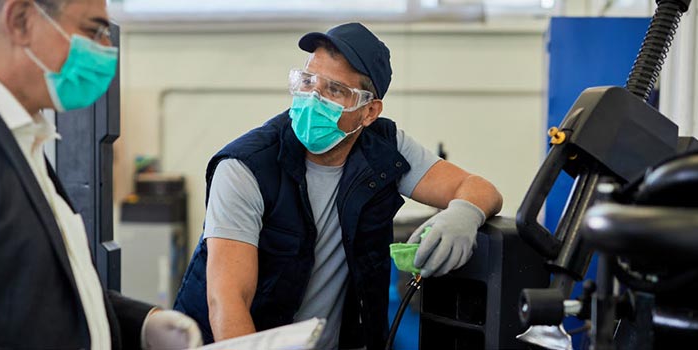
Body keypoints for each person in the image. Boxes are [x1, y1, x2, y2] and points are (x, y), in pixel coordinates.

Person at [174, 22, 503, 349]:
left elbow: (478, 188)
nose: (313, 98)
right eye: (308, 81)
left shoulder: (384, 150)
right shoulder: (246, 168)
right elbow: (228, 302)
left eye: (334, 90)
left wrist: (463, 213)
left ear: (369, 112)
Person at [0, 0, 201, 349]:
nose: (106, 51)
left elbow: (40, 290)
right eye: (93, 31)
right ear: (22, 20)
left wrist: (142, 324)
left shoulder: (24, 137)